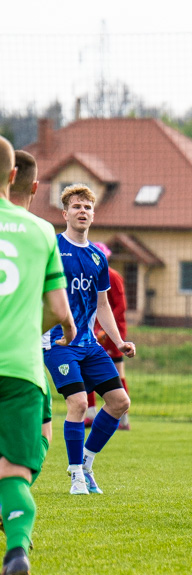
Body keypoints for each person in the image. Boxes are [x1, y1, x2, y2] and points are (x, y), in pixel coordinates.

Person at [0, 136, 76, 575]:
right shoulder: (41, 231)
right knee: (16, 468)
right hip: (20, 367)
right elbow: (58, 310)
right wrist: (54, 328)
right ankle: (16, 551)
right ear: (14, 178)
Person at [43, 184, 135, 496]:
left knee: (120, 402)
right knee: (79, 403)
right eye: (77, 207)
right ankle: (75, 478)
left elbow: (104, 306)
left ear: (93, 215)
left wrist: (119, 341)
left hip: (88, 345)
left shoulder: (98, 257)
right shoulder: (52, 249)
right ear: (64, 213)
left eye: (87, 207)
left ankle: (86, 463)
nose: (83, 212)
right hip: (58, 344)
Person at [6, 150, 54, 486]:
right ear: (35, 187)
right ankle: (11, 496)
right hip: (25, 358)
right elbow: (58, 306)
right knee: (41, 433)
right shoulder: (43, 231)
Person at [84, 241, 131, 431]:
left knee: (118, 374)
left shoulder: (113, 276)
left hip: (112, 334)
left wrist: (107, 330)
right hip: (95, 333)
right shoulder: (90, 276)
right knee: (86, 371)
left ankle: (124, 419)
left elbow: (120, 307)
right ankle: (90, 414)